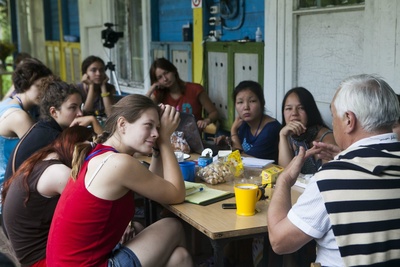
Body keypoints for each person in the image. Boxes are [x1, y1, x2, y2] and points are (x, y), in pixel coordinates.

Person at [267, 74, 400, 267]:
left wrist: (284, 180)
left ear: (348, 120)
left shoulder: (332, 180)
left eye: (333, 114)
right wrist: (346, 158)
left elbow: (280, 241)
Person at [46, 94, 193, 266]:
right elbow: (176, 194)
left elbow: (151, 184)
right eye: (148, 126)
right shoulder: (119, 163)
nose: (155, 134)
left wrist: (157, 149)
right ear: (122, 124)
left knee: (180, 257)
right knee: (172, 226)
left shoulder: (100, 153)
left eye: (158, 128)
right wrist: (165, 141)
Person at [1, 126, 95, 266]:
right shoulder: (60, 173)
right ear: (78, 149)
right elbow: (94, 209)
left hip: (30, 256)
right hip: (44, 261)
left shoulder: (42, 159)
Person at [3, 76, 103, 182]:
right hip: (19, 195)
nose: (80, 113)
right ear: (54, 112)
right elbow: (103, 157)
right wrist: (94, 122)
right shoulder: (53, 136)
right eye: (73, 107)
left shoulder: (44, 127)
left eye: (80, 107)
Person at [0, 58, 52, 186]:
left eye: (46, 87)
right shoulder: (19, 117)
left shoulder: (7, 103)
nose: (43, 92)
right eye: (39, 86)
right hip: (7, 185)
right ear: (25, 85)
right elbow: (43, 152)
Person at [215, 80, 281, 161]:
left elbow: (244, 159)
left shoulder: (271, 129)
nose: (246, 107)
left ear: (262, 103)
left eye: (252, 101)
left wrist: (233, 131)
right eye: (240, 102)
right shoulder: (244, 124)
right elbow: (239, 149)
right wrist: (227, 143)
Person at [147, 57, 218, 130]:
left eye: (166, 73)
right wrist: (152, 89)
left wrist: (206, 120)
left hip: (191, 138)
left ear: (173, 71)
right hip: (167, 139)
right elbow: (142, 110)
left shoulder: (195, 89)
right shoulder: (158, 95)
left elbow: (214, 112)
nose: (165, 79)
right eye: (160, 77)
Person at [279, 87, 336, 174]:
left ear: (310, 111)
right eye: (288, 109)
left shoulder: (326, 138)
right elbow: (284, 173)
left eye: (301, 108)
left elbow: (328, 176)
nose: (294, 113)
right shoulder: (287, 135)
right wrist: (282, 135)